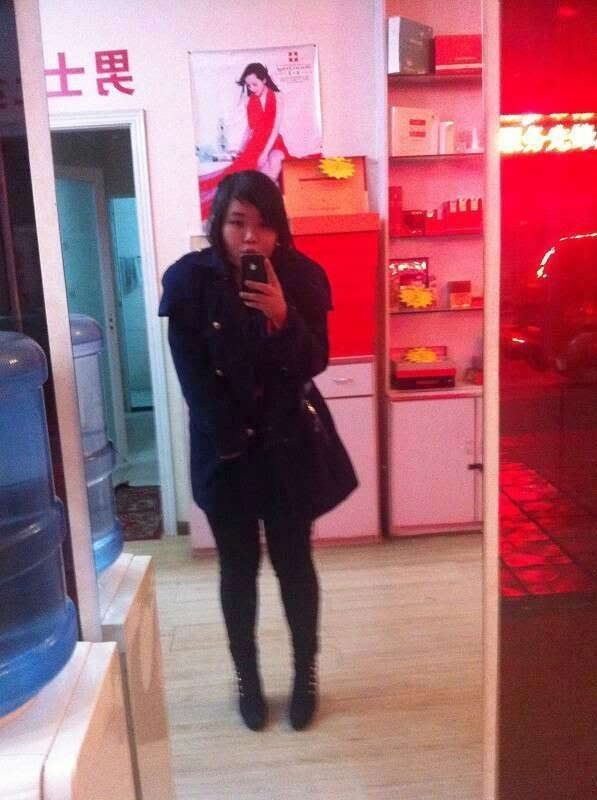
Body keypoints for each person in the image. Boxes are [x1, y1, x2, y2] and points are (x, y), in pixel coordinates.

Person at [159, 170, 356, 731]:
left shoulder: (302, 276)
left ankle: (304, 675)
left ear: (279, 229)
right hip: (225, 449)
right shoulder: (188, 281)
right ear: (218, 224)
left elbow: (314, 361)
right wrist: (232, 439)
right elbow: (193, 377)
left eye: (264, 225)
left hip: (288, 444)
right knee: (238, 568)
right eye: (237, 222)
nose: (250, 237)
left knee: (294, 563)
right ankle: (247, 678)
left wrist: (283, 317)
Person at [199, 63, 291, 220]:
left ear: (264, 80)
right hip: (255, 143)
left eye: (255, 84)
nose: (252, 88)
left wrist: (264, 153)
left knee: (275, 161)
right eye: (248, 85)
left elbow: (275, 127)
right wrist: (242, 148)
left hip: (273, 141)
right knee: (237, 176)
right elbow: (250, 129)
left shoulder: (277, 96)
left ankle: (265, 207)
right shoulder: (250, 100)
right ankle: (249, 207)